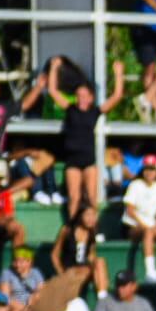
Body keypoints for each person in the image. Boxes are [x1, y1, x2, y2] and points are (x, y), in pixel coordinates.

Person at [48, 56, 127, 217]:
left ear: (91, 98)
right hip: (72, 160)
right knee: (74, 197)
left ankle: (93, 232)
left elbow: (117, 96)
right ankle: (72, 230)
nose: (82, 99)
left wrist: (119, 74)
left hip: (88, 160)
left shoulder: (95, 112)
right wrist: (54, 68)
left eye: (85, 96)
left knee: (91, 197)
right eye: (79, 96)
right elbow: (53, 91)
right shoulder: (70, 109)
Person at [122, 155, 156, 283]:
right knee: (149, 232)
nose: (149, 172)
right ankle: (150, 272)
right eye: (147, 169)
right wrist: (146, 226)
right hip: (133, 226)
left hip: (151, 225)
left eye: (152, 169)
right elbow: (130, 211)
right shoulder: (135, 185)